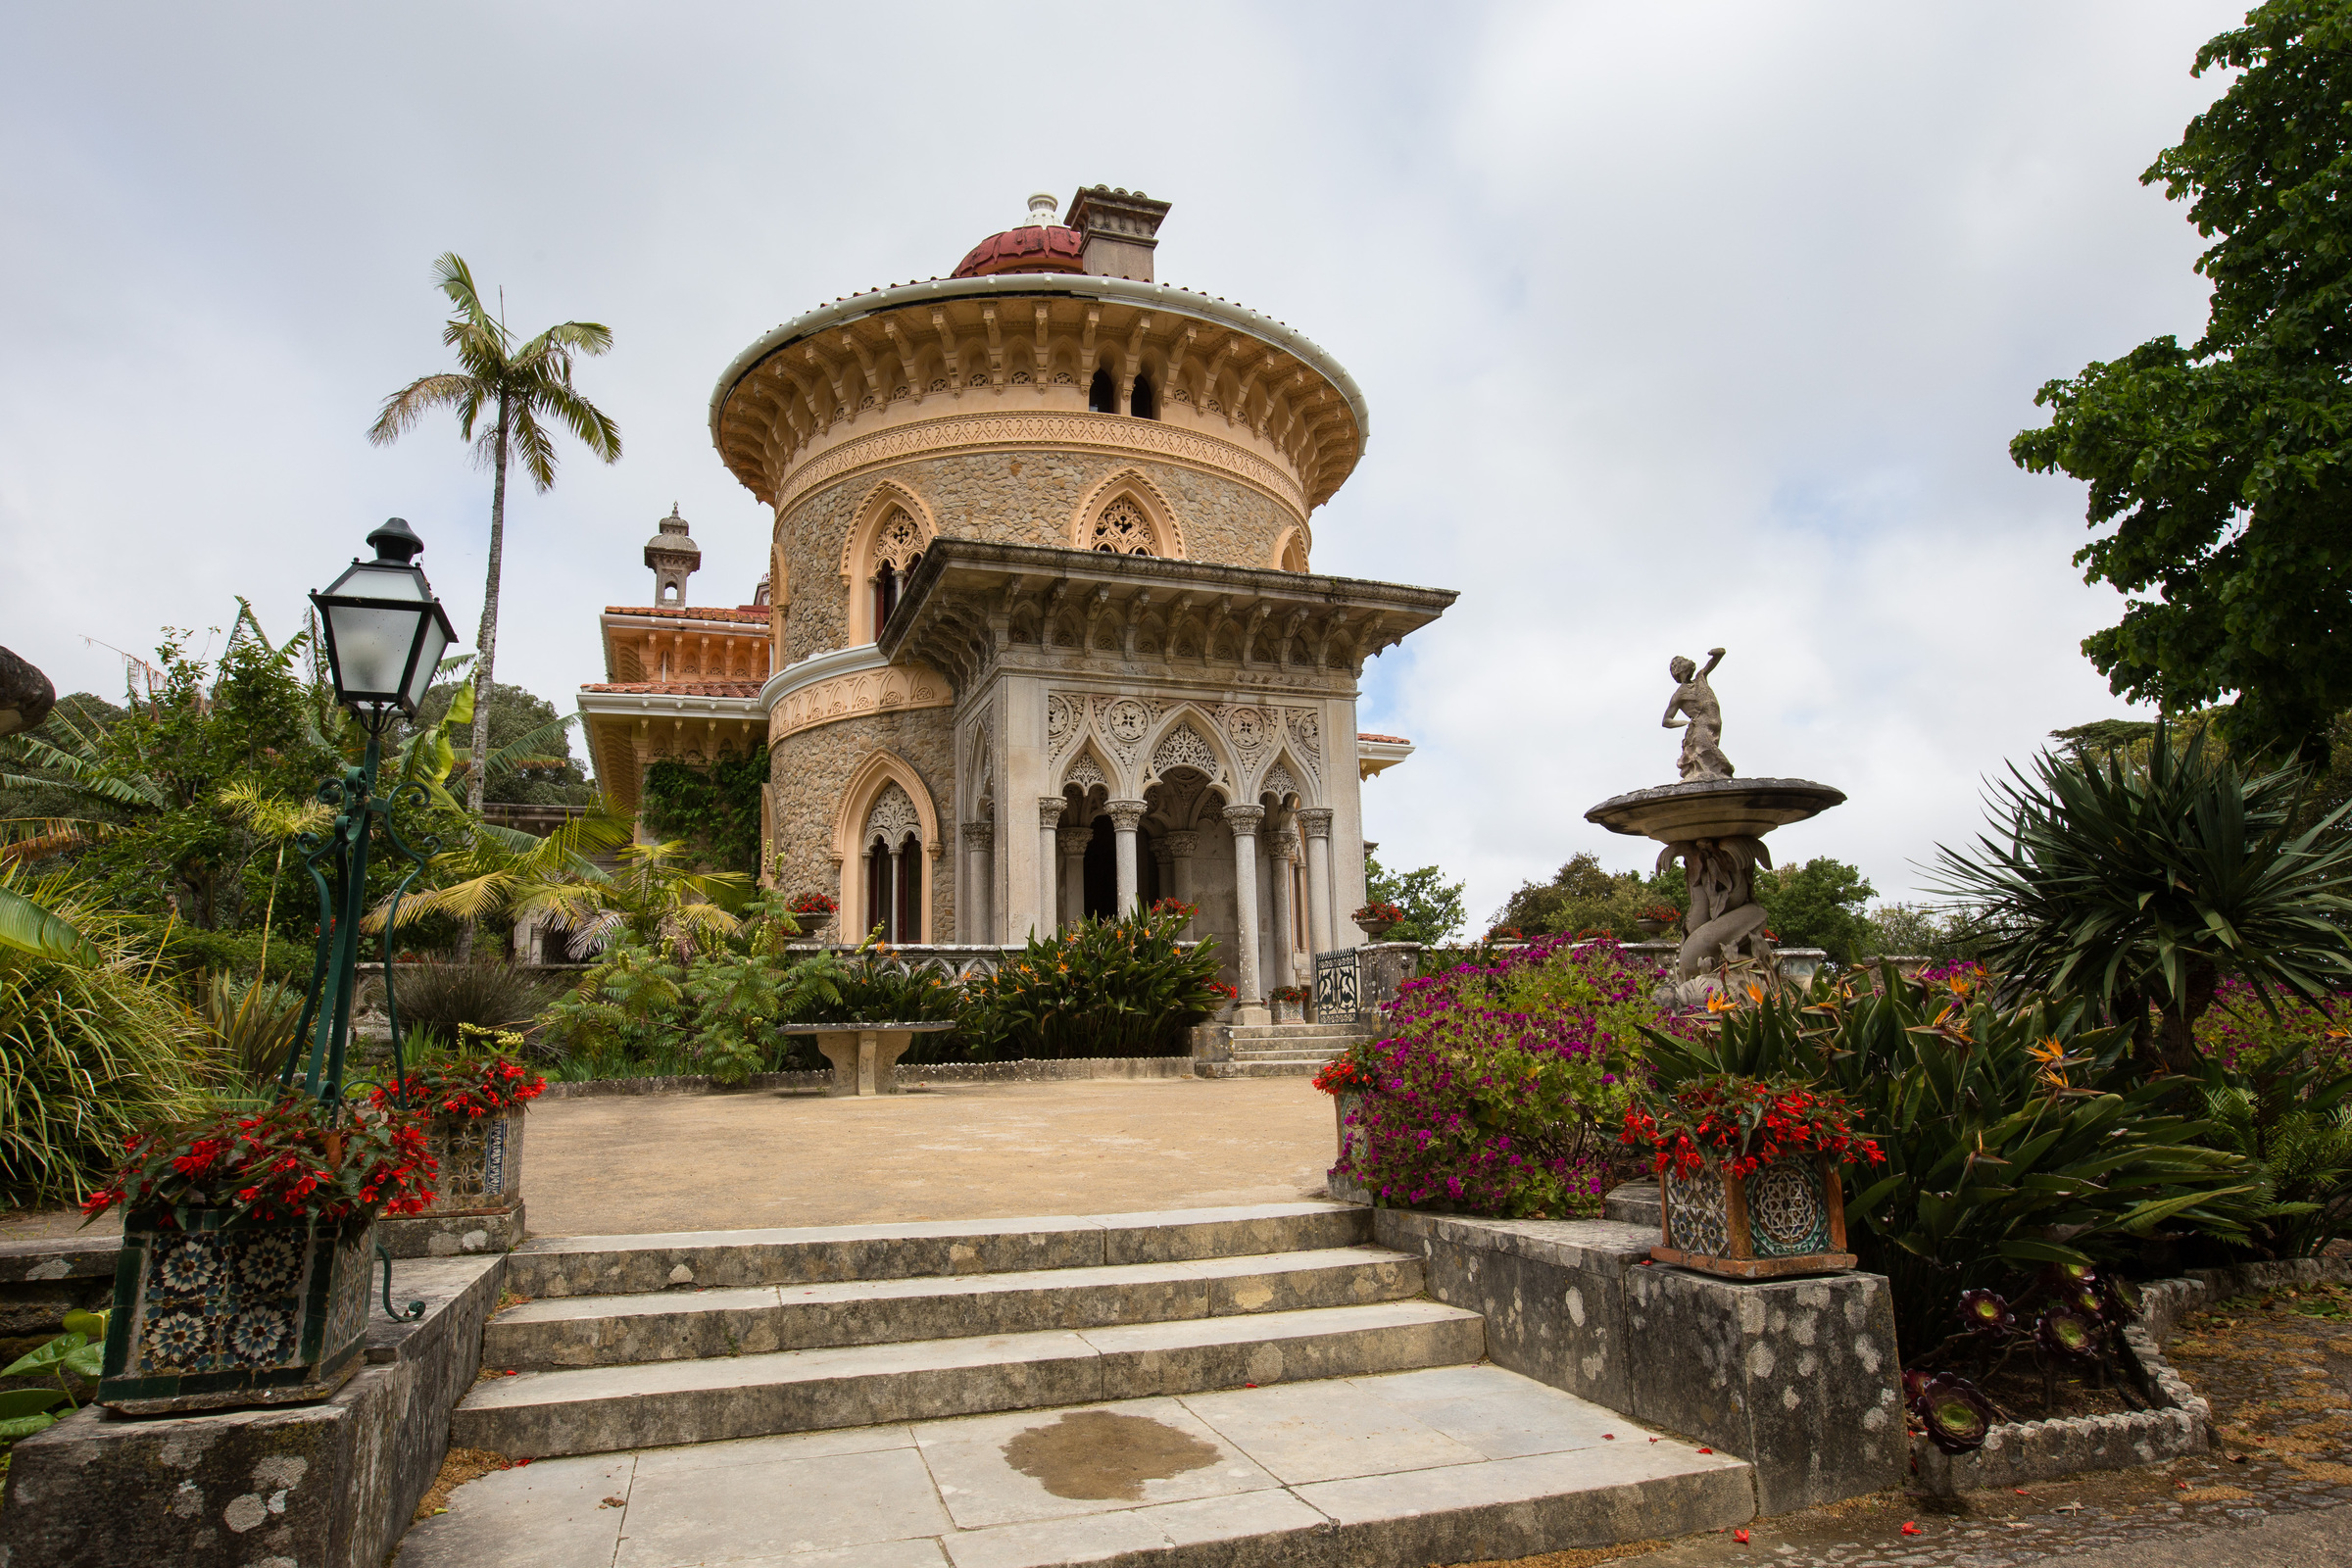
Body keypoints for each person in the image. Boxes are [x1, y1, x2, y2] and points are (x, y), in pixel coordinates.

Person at [1661, 647, 1733, 781]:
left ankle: (1712, 775)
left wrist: (1717, 654)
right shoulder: (1679, 694)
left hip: (1714, 723)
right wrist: (1686, 723)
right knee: (1705, 751)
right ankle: (1708, 776)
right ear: (1680, 671)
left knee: (1708, 752)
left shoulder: (1700, 678)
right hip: (1700, 726)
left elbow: (1715, 660)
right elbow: (1666, 721)